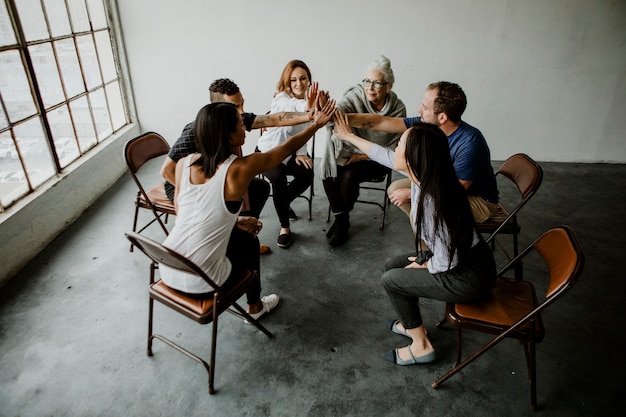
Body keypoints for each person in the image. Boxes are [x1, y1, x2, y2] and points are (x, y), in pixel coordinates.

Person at [332, 113, 496, 365]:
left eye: (399, 145)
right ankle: (413, 326)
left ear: (412, 158)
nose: (394, 148)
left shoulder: (433, 202)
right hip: (463, 258)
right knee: (392, 266)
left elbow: (445, 261)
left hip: (469, 276)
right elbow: (381, 154)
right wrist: (348, 136)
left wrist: (420, 264)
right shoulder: (426, 174)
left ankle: (422, 346)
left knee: (392, 279)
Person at [160, 99, 336, 322]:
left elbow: (187, 214)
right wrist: (316, 124)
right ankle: (255, 307)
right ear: (226, 134)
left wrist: (234, 222)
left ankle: (254, 301)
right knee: (248, 241)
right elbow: (286, 149)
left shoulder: (184, 163)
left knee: (245, 222)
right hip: (204, 281)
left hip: (168, 267)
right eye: (239, 124)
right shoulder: (239, 169)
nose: (244, 127)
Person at [160, 78, 317, 254]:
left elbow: (273, 119)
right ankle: (235, 240)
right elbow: (167, 171)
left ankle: (245, 234)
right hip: (187, 185)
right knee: (227, 207)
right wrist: (205, 193)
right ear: (219, 108)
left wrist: (309, 116)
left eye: (242, 104)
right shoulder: (194, 131)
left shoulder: (236, 119)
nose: (242, 112)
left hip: (218, 177)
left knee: (259, 188)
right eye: (236, 107)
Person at [346, 81, 499, 223]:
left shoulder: (470, 143)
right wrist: (337, 117)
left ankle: (433, 246)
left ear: (442, 117)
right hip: (443, 183)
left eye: (425, 108)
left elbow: (455, 192)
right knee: (397, 190)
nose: (419, 110)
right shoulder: (429, 126)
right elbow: (380, 121)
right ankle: (429, 242)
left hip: (475, 200)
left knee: (421, 209)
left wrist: (413, 194)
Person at [320, 55, 406, 246]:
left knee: (349, 175)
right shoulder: (355, 96)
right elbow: (338, 113)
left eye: (377, 83)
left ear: (389, 86)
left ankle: (341, 219)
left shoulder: (398, 109)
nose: (370, 87)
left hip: (379, 159)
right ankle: (342, 218)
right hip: (349, 151)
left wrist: (364, 155)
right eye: (367, 81)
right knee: (328, 172)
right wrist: (325, 107)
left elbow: (397, 146)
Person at [256, 60, 320, 248]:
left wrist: (301, 152)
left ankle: (283, 202)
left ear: (309, 80)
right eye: (293, 80)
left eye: (303, 78)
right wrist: (308, 107)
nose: (298, 84)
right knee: (278, 179)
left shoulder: (310, 102)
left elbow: (304, 130)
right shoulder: (280, 99)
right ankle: (285, 227)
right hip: (269, 151)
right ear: (287, 82)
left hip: (290, 151)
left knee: (307, 174)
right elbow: (294, 107)